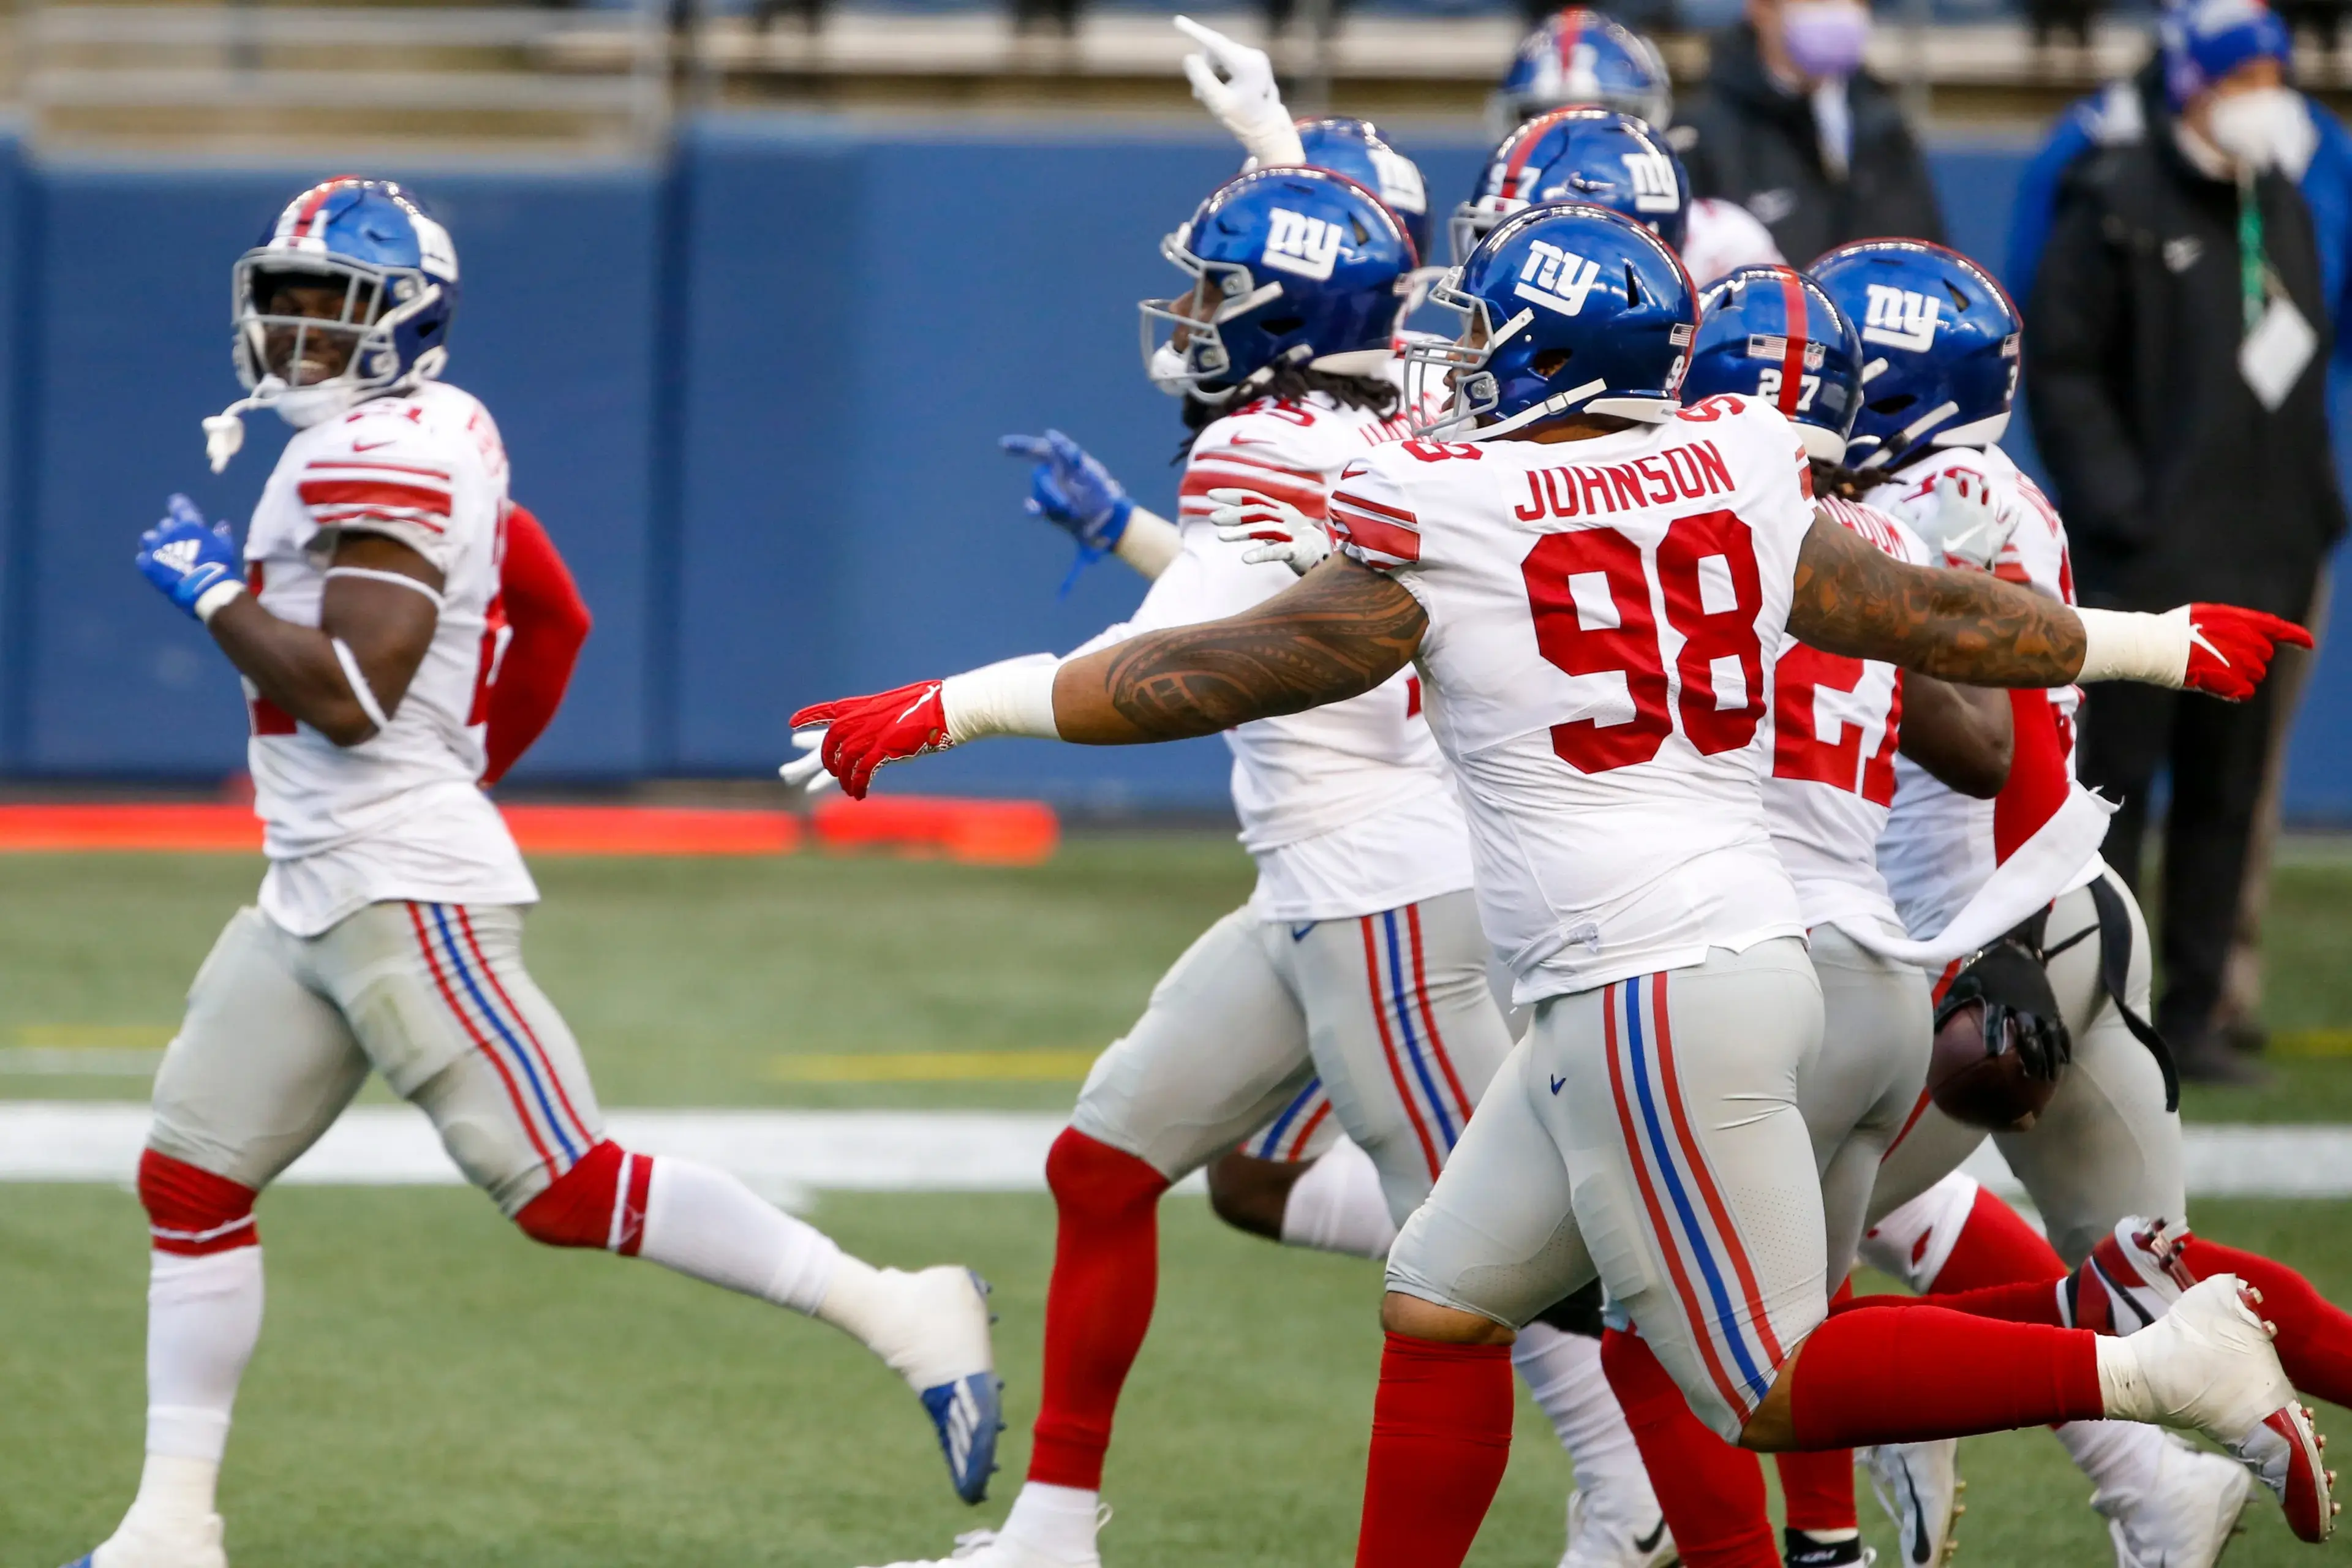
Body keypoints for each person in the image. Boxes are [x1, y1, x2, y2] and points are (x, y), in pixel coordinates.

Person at [790, 202, 2327, 1566]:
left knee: (1765, 1384)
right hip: (1715, 964)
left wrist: (952, 706)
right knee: (1441, 1294)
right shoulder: (1734, 462)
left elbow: (1205, 672)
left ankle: (2150, 1369)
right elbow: (1933, 617)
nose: (1449, 359)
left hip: (1650, 983)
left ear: (1550, 353)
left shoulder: (1452, 508)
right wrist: (2154, 640)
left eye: (1479, 333)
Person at [70, 176, 1003, 1568]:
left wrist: (216, 596)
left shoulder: (378, 454)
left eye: (332, 304)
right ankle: (168, 1527)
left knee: (564, 1185)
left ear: (404, 322)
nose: (294, 325)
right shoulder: (421, 432)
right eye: (287, 295)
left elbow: (349, 696)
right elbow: (552, 610)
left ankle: (901, 1304)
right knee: (192, 1178)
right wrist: (468, 758)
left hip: (394, 875)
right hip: (316, 878)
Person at [826, 165, 1673, 1568]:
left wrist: (941, 706)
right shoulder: (1408, 403)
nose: (1191, 315)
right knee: (1103, 1163)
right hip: (1316, 890)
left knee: (1503, 1264)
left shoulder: (1264, 441)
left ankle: (1660, 1495)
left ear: (1288, 313)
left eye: (1221, 289)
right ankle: (1048, 1532)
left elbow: (1156, 669)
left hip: (1385, 900)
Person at [2025, 0, 2348, 1082]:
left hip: (2267, 553)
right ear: (2197, 85)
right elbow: (2065, 369)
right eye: (2249, 75)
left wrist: (2313, 509)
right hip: (2150, 568)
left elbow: (2303, 363)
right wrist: (2126, 510)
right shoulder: (2113, 199)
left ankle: (2199, 1015)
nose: (2271, 96)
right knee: (2116, 791)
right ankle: (2103, 996)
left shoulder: (2288, 203)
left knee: (2228, 796)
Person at [1672, 0, 1945, 266]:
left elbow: (1927, 264)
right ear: (1762, 8)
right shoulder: (1699, 135)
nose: (1838, 10)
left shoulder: (1884, 127)